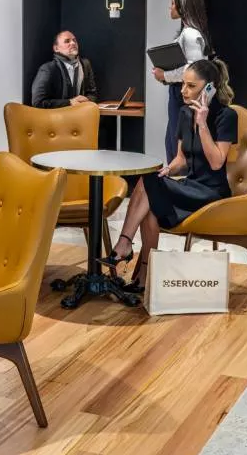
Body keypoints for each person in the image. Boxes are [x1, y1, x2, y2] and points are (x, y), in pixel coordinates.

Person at [101, 58, 237, 293]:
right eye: (183, 84)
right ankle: (144, 278)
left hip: (211, 194)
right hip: (189, 185)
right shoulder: (185, 113)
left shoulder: (226, 116)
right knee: (151, 201)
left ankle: (124, 244)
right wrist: (168, 170)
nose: (183, 91)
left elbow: (216, 163)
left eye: (191, 86)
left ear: (209, 88)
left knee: (148, 185)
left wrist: (203, 124)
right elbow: (181, 160)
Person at [152, 0, 213, 162]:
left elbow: (195, 69)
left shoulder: (190, 34)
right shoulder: (191, 32)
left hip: (183, 97)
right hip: (181, 95)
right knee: (174, 143)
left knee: (177, 147)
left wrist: (165, 75)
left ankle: (178, 187)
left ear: (183, 5)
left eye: (173, 3)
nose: (170, 7)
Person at [31, 30, 99, 108]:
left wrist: (87, 99)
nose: (73, 43)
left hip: (81, 115)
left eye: (74, 40)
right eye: (67, 41)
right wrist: (69, 102)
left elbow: (93, 94)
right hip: (56, 117)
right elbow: (38, 101)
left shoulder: (85, 64)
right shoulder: (48, 69)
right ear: (56, 48)